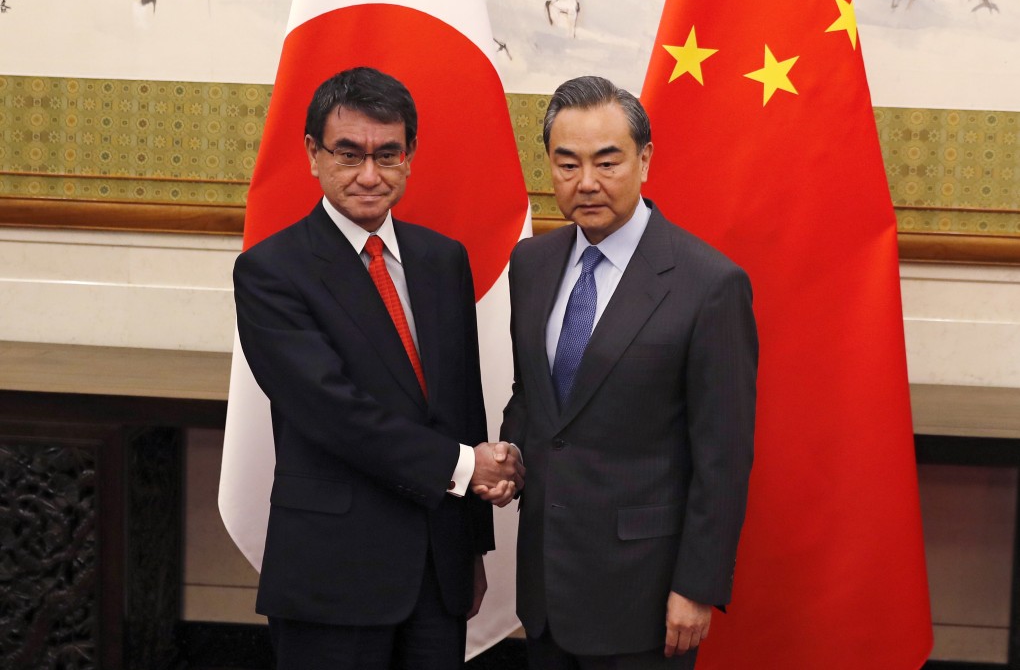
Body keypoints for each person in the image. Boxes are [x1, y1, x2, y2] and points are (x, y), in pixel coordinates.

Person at [233, 67, 523, 670]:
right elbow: (333, 412)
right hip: (333, 576)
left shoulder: (442, 260)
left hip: (438, 574)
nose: (370, 175)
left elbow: (460, 405)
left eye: (388, 154)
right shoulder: (271, 271)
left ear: (410, 156)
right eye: (349, 153)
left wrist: (470, 546)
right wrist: (468, 467)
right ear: (313, 153)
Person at [498, 75, 758, 669]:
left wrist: (697, 586)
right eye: (567, 164)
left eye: (606, 162)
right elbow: (536, 397)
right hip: (546, 582)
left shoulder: (708, 284)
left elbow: (724, 455)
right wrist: (511, 452)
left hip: (645, 593)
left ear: (644, 159)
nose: (586, 183)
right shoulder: (531, 263)